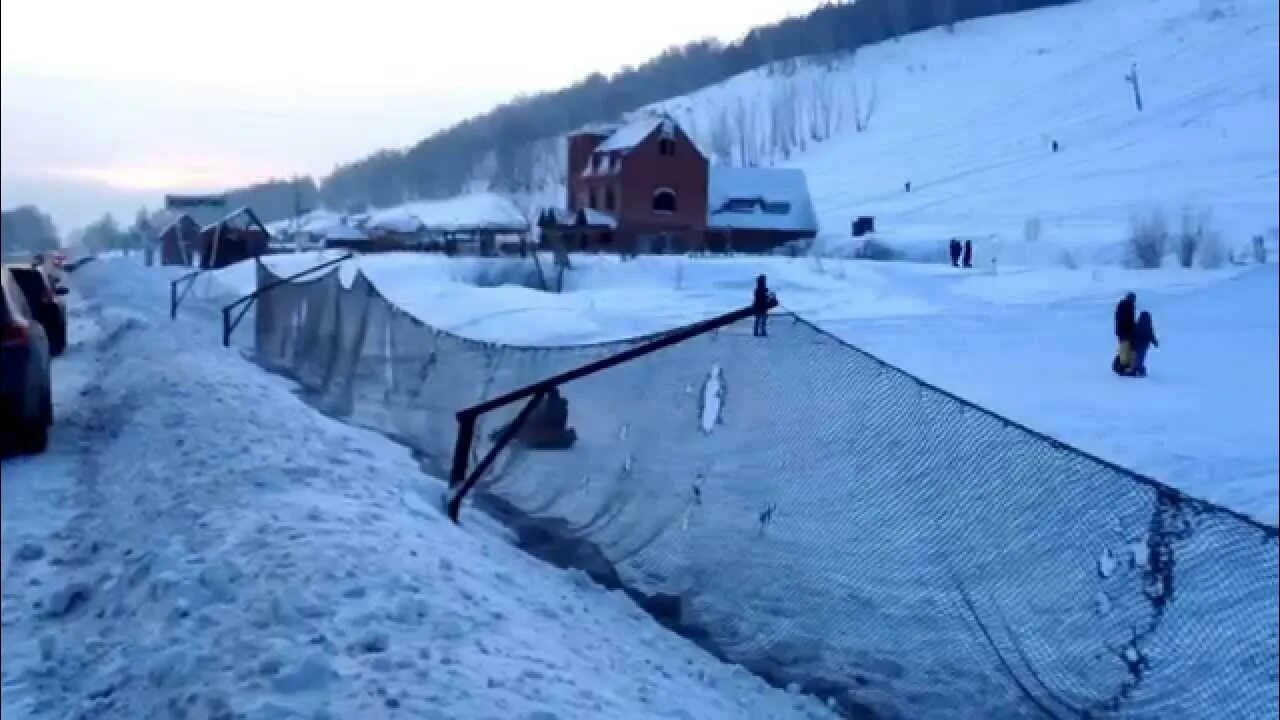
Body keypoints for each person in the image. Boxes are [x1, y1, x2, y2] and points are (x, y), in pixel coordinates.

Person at [1114, 292, 1137, 374]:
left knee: (1125, 347)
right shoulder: (1127, 305)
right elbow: (1126, 319)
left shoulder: (1123, 305)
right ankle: (1122, 365)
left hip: (1122, 330)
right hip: (1124, 331)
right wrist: (1132, 326)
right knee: (1125, 347)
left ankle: (1123, 364)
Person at [1131, 311, 1159, 377]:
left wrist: (1132, 343)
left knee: (1137, 357)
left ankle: (1137, 369)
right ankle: (1139, 370)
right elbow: (1151, 335)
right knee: (1140, 357)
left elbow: (1133, 334)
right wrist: (1155, 342)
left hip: (1137, 344)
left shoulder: (1137, 325)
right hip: (1144, 345)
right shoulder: (1148, 326)